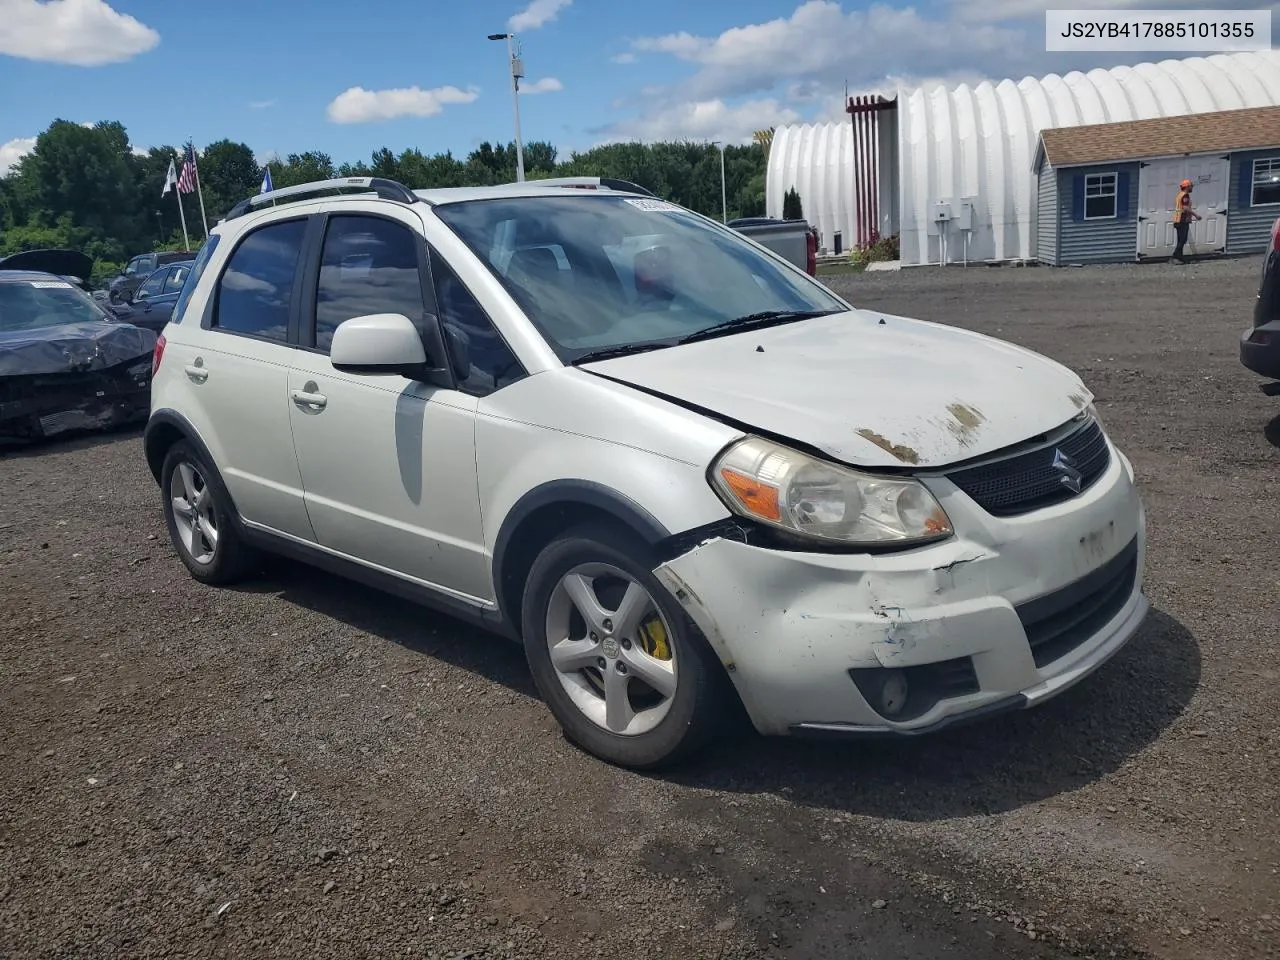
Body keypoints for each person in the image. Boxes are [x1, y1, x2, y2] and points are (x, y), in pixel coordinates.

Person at [1172, 178, 1201, 264]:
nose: (1192, 187)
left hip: (1178, 219)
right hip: (1182, 220)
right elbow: (1185, 207)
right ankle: (1175, 257)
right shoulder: (1185, 196)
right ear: (1187, 187)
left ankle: (1180, 257)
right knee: (1182, 240)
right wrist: (1196, 215)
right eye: (1191, 186)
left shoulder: (1180, 194)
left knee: (1181, 240)